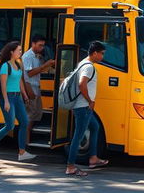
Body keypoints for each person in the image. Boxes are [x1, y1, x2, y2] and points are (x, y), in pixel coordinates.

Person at [0, 41, 35, 162]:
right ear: (11, 52)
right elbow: (3, 85)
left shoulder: (18, 64)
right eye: (19, 50)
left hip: (17, 97)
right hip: (8, 97)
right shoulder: (5, 66)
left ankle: (22, 152)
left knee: (24, 122)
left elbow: (20, 81)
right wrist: (6, 101)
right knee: (10, 125)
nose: (21, 52)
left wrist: (25, 95)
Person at [66, 41, 109, 177]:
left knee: (95, 127)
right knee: (78, 136)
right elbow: (81, 83)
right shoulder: (89, 67)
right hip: (83, 107)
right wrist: (90, 101)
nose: (102, 56)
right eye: (101, 54)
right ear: (95, 53)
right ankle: (71, 166)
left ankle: (93, 158)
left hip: (83, 106)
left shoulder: (83, 63)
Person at [22, 33, 56, 145]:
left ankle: (26, 142)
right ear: (33, 44)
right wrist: (45, 65)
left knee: (35, 114)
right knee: (29, 116)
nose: (42, 48)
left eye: (43, 46)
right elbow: (30, 73)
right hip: (30, 88)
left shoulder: (37, 56)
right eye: (40, 45)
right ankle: (24, 144)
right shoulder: (27, 56)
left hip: (35, 87)